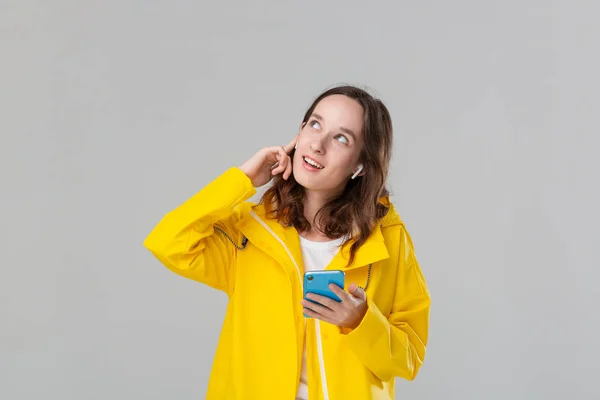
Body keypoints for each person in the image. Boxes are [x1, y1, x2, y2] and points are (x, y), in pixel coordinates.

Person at [143, 85, 431, 399]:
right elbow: (168, 241)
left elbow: (409, 358)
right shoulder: (249, 233)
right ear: (300, 132)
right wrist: (243, 179)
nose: (318, 145)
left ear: (360, 165)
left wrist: (360, 321)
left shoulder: (387, 241)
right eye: (315, 124)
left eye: (341, 138)